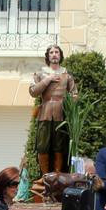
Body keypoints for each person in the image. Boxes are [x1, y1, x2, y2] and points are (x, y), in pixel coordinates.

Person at [29, 45, 78, 175]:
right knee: (42, 146)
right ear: (48, 56)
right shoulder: (40, 74)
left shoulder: (67, 75)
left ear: (60, 55)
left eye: (57, 52)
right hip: (44, 114)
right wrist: (48, 79)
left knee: (59, 146)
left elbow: (74, 94)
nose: (54, 54)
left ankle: (57, 175)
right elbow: (33, 92)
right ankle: (45, 176)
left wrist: (70, 101)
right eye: (51, 52)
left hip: (61, 115)